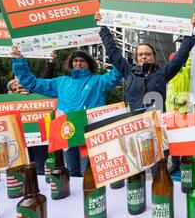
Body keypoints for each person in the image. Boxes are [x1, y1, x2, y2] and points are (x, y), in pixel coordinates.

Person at [95, 12, 195, 176]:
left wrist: (190, 30)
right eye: (141, 54)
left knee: (160, 173)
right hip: (133, 131)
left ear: (154, 57)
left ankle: (162, 198)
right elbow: (113, 52)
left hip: (157, 131)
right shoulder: (128, 72)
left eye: (148, 54)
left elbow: (179, 58)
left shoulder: (163, 74)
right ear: (136, 57)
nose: (144, 56)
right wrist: (103, 28)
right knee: (136, 174)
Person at [10, 48, 124, 177]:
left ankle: (89, 196)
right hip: (66, 132)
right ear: (71, 63)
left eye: (82, 60)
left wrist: (112, 47)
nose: (78, 63)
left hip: (89, 134)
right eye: (75, 61)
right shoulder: (62, 82)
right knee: (71, 171)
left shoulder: (99, 81)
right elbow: (32, 84)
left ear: (89, 64)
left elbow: (118, 72)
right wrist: (19, 62)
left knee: (88, 173)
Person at [0, 50, 58, 175]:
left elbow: (46, 77)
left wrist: (50, 62)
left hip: (38, 138)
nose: (17, 90)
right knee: (22, 170)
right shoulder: (7, 93)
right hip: (16, 138)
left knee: (41, 169)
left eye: (20, 88)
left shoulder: (35, 94)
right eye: (14, 89)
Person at [165, 54, 192, 176]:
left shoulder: (185, 71)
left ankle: (185, 163)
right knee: (174, 141)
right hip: (172, 114)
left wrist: (190, 47)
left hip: (185, 113)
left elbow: (190, 61)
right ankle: (175, 164)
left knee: (186, 139)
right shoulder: (168, 75)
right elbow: (169, 96)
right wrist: (180, 100)